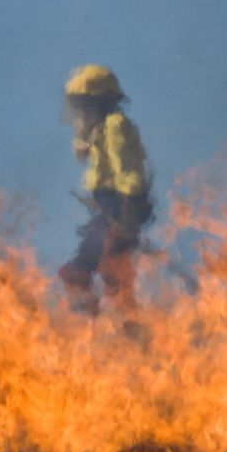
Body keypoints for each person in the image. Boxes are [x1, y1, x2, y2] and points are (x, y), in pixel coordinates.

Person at [58, 65, 153, 315]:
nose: (80, 111)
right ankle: (98, 313)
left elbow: (129, 170)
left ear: (100, 102)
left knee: (95, 267)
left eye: (84, 104)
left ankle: (103, 316)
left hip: (120, 206)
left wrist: (128, 211)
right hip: (109, 208)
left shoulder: (115, 126)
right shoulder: (100, 130)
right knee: (97, 265)